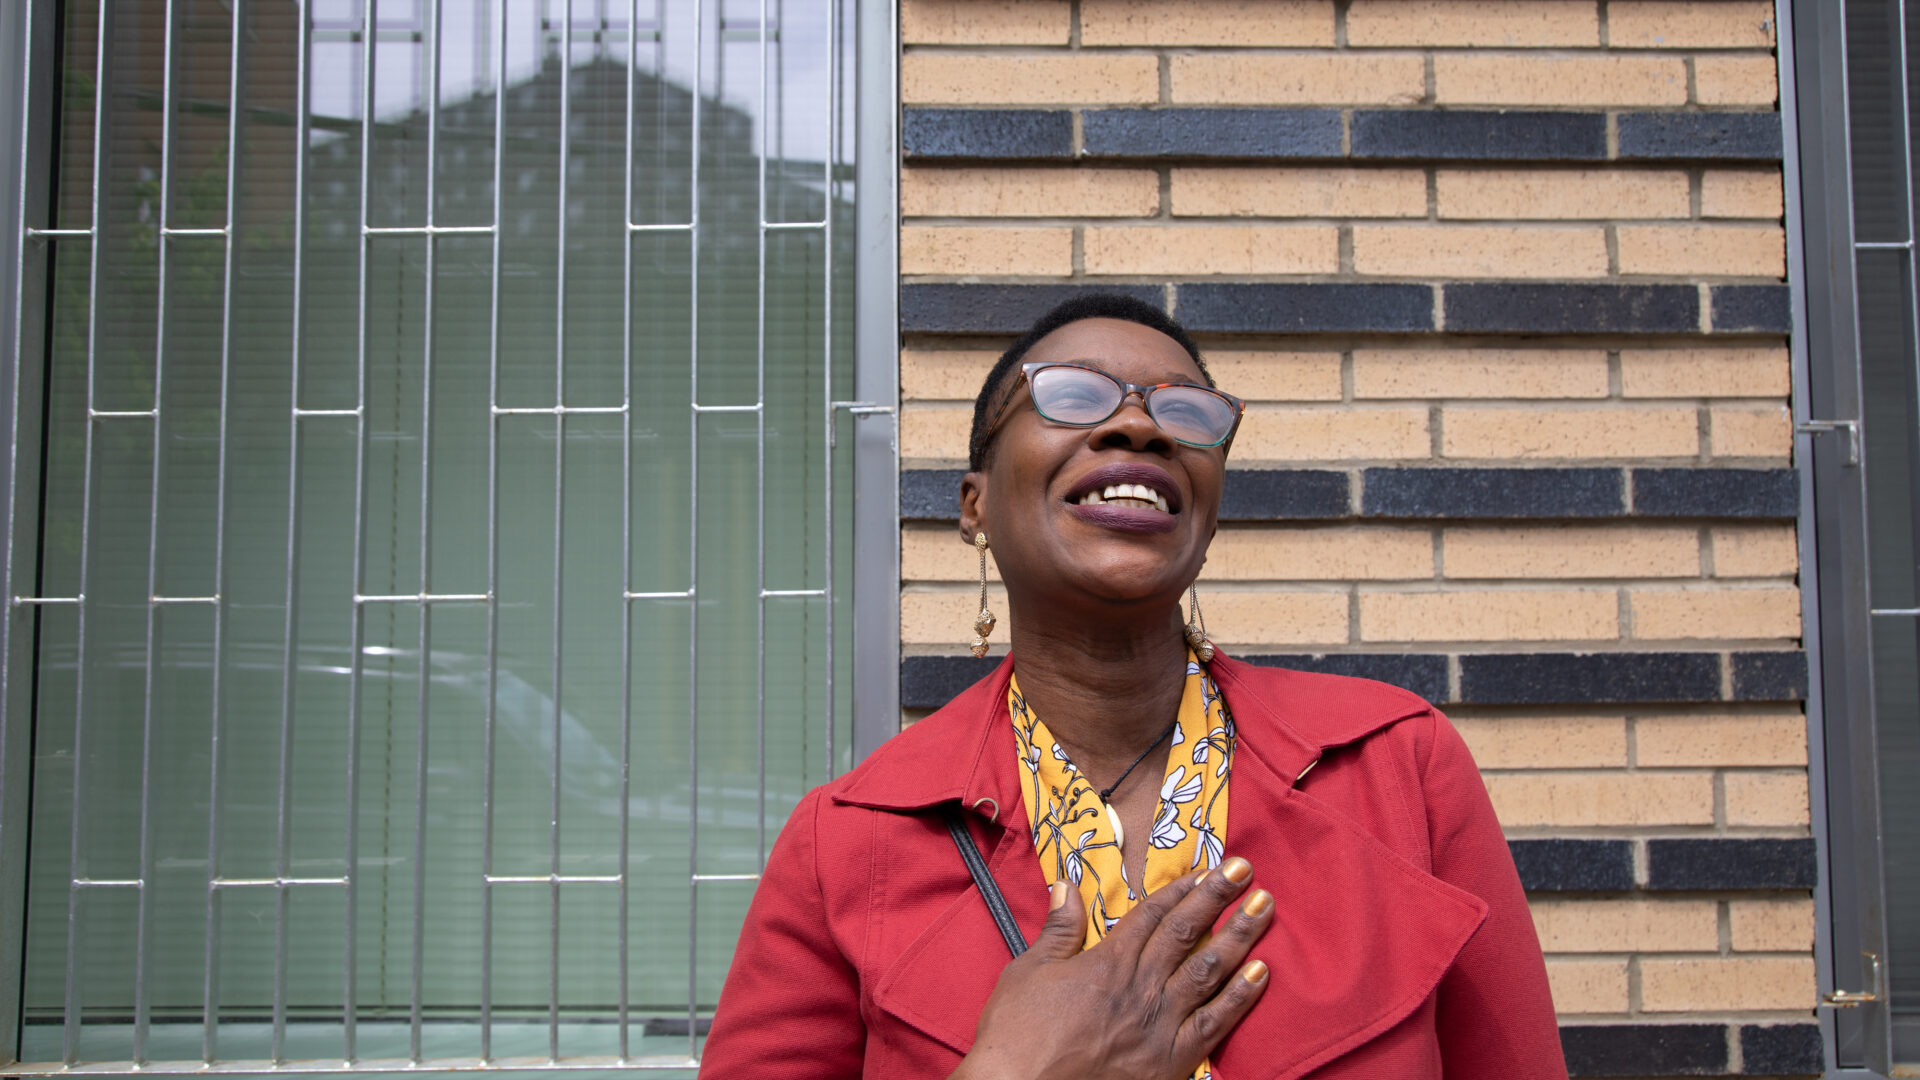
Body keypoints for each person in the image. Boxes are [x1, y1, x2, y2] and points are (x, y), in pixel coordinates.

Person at [699, 294, 1567, 1079]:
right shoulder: (849, 843)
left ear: (1210, 511)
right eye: (1072, 396)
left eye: (1185, 415)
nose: (1141, 429)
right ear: (975, 506)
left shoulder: (1397, 768)